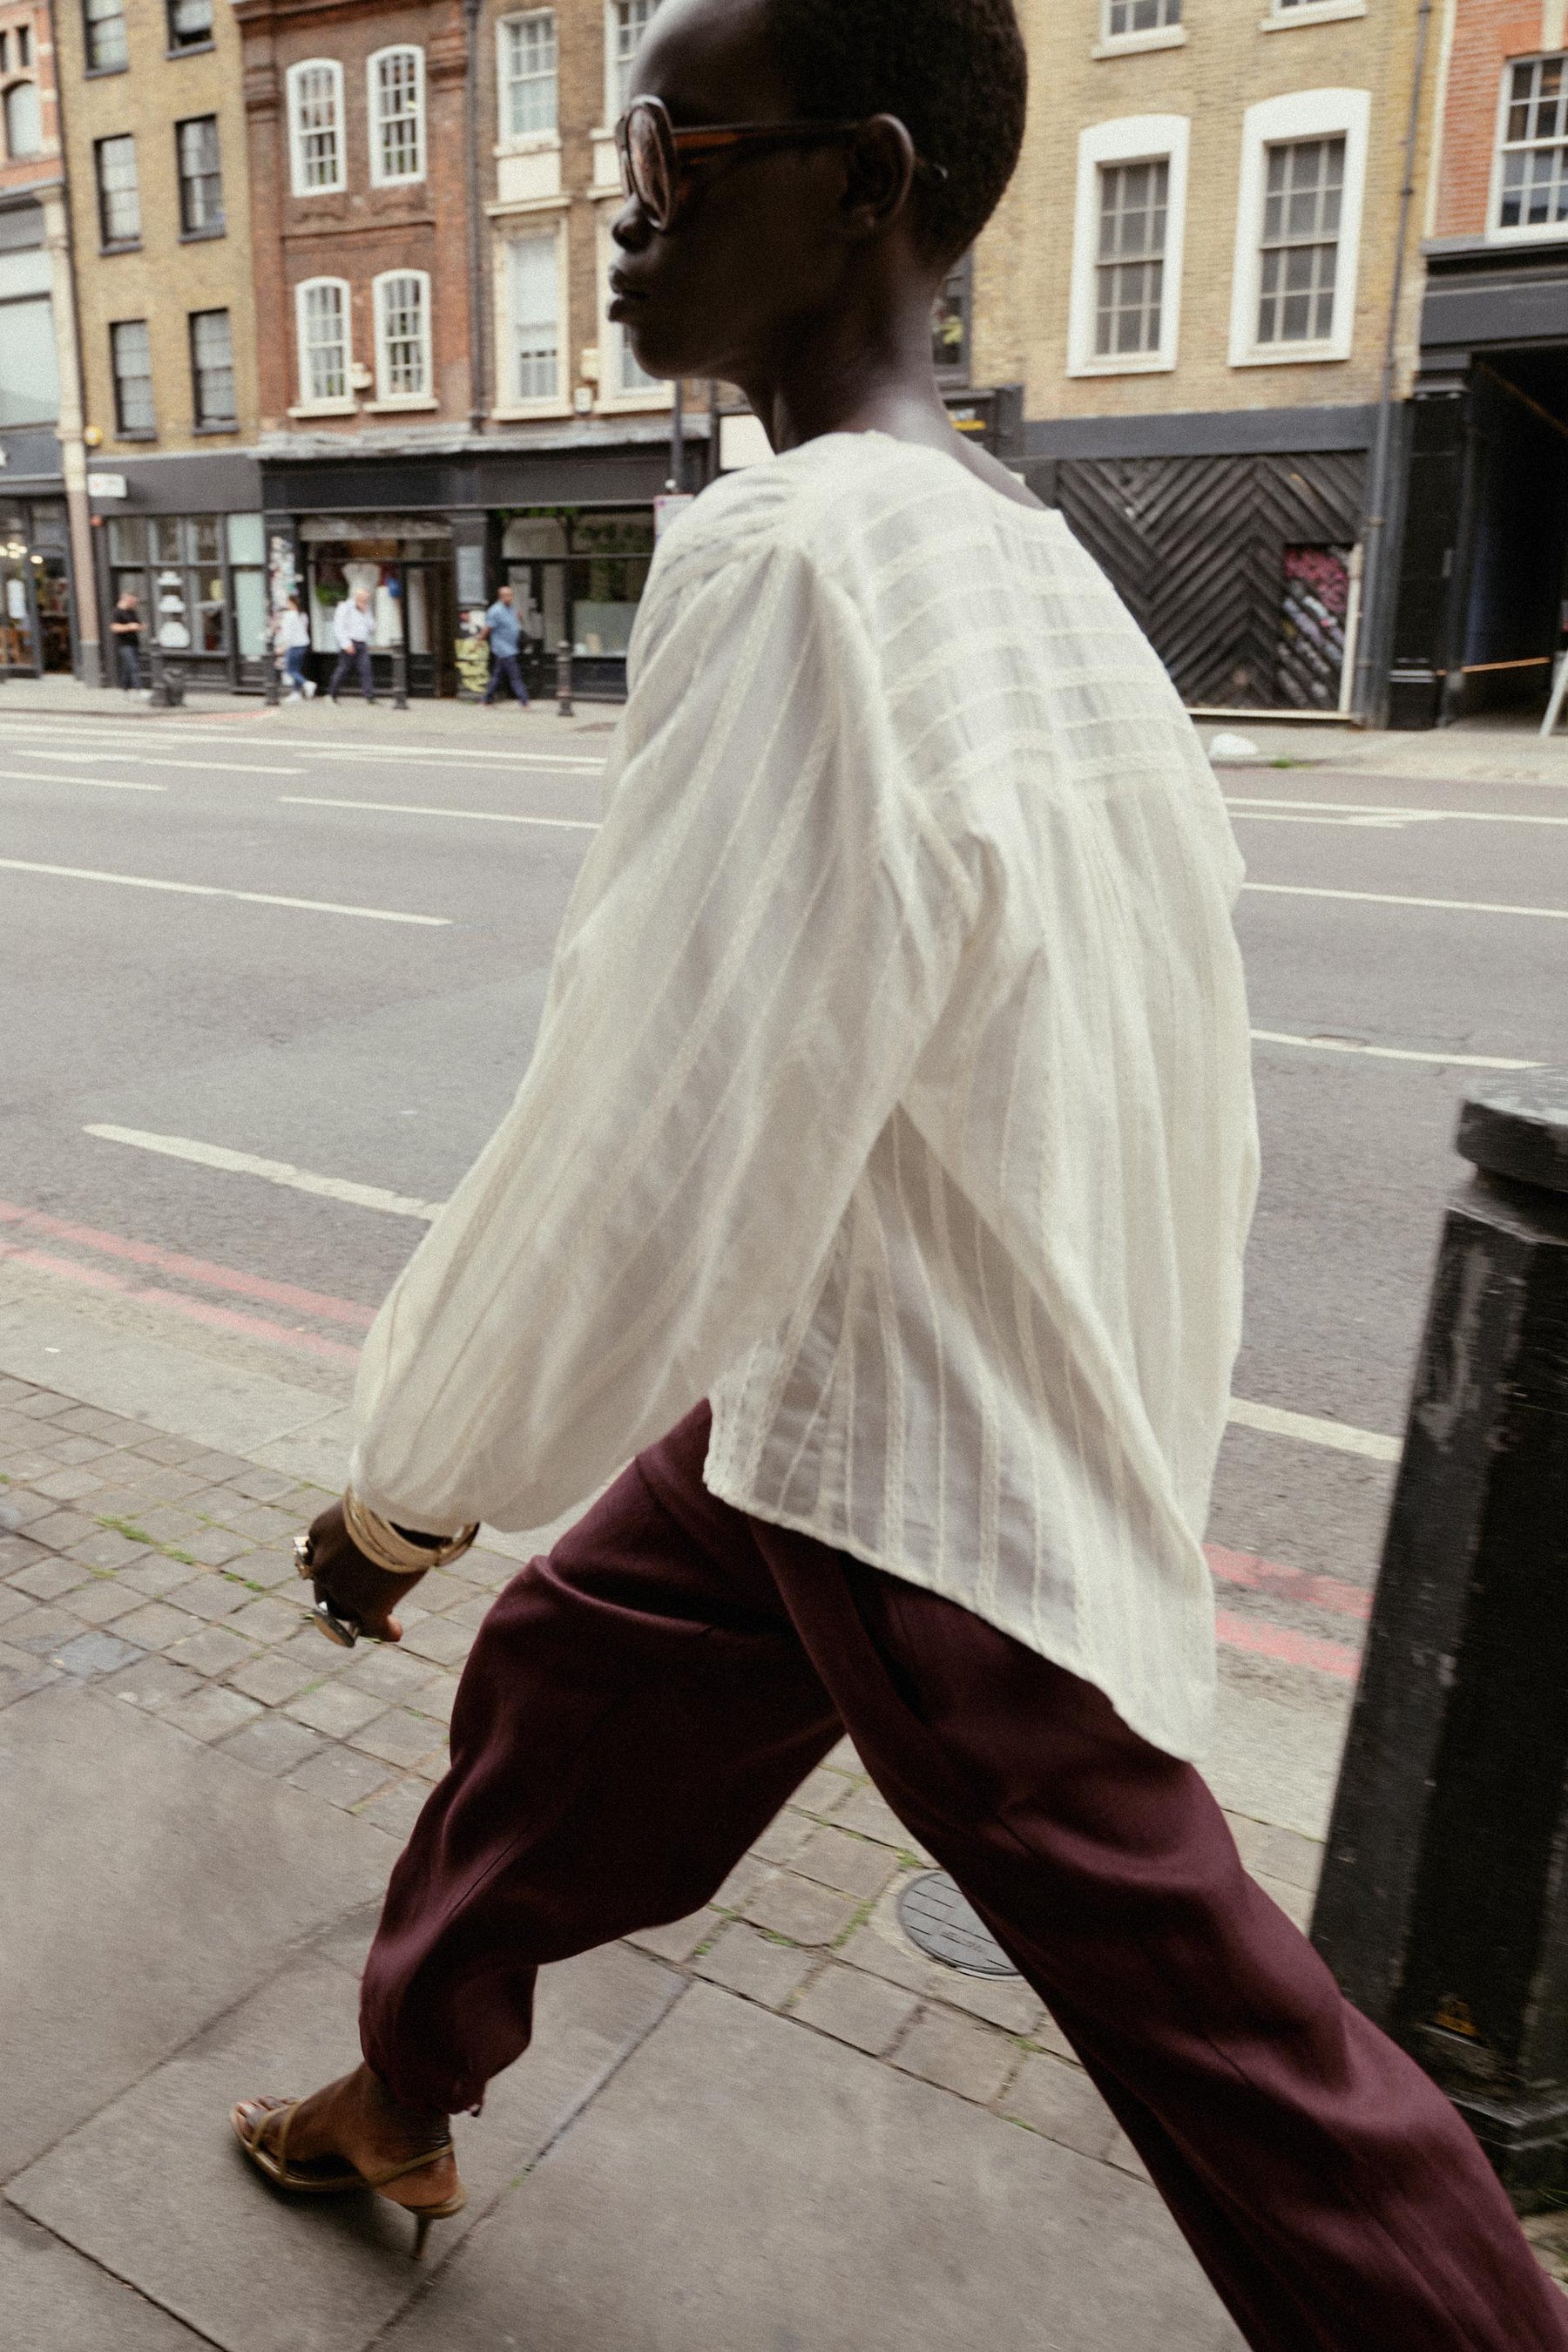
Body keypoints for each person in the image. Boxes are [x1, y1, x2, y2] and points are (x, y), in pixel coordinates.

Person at [230, 2, 1568, 2342]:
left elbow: (658, 1115)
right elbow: (1153, 1071)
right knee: (565, 1681)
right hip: (853, 1384)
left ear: (858, 184)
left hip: (934, 1453)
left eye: (664, 147)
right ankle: (404, 2078)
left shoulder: (798, 555)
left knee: (1234, 2039)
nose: (617, 198)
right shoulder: (1024, 560)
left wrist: (415, 1480)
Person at [480, 582, 530, 706]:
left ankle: (487, 699)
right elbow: (488, 628)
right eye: (507, 595)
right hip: (503, 648)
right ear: (501, 597)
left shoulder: (512, 608)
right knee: (515, 675)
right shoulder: (495, 611)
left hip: (511, 647)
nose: (510, 598)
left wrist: (519, 617)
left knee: (497, 675)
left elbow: (518, 621)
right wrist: (479, 640)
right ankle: (524, 701)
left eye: (511, 595)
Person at [328, 585, 375, 704]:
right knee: (343, 669)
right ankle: (331, 695)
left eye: (367, 599)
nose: (365, 601)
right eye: (364, 599)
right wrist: (346, 643)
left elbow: (372, 628)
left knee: (366, 669)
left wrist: (366, 613)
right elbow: (338, 627)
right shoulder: (345, 607)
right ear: (357, 597)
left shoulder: (366, 609)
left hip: (362, 643)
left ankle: (369, 697)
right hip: (349, 643)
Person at [276, 593, 315, 701]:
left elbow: (288, 634)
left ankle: (307, 684)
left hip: (293, 646)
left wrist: (283, 647)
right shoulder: (302, 615)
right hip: (303, 645)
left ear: (291, 603)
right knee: (296, 669)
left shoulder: (289, 616)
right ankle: (296, 693)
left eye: (287, 602)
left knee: (290, 670)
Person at [109, 589, 142, 691]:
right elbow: (114, 628)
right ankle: (139, 689)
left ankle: (124, 688)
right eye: (132, 601)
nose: (134, 603)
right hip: (123, 644)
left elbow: (138, 625)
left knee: (127, 668)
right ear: (126, 599)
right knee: (134, 666)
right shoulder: (117, 612)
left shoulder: (131, 612)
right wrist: (130, 627)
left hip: (134, 643)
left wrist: (139, 627)